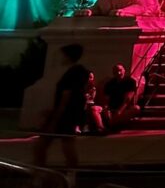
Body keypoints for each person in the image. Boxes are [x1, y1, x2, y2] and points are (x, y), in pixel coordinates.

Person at [33, 43, 89, 176]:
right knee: (65, 145)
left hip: (64, 115)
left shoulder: (73, 73)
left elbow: (66, 96)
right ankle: (70, 176)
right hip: (68, 114)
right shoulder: (79, 72)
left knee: (44, 145)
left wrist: (55, 116)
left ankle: (41, 176)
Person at [102, 62, 138, 131]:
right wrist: (106, 108)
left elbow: (128, 99)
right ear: (113, 72)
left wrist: (120, 111)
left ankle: (111, 124)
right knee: (95, 109)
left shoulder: (130, 82)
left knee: (136, 108)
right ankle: (101, 128)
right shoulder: (109, 83)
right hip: (112, 108)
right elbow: (106, 99)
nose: (118, 73)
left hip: (124, 109)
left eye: (120, 70)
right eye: (116, 71)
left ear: (124, 70)